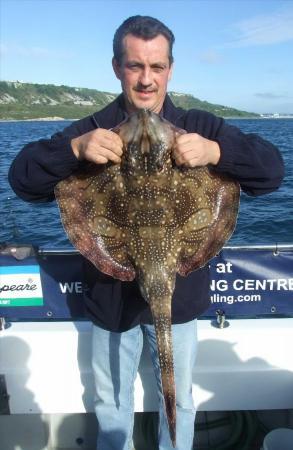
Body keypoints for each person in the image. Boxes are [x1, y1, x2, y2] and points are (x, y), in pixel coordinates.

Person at [8, 15, 284, 450]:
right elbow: (23, 181)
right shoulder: (91, 128)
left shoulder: (201, 124)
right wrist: (73, 150)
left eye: (156, 67)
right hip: (112, 304)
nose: (146, 79)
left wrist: (217, 151)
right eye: (135, 66)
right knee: (112, 402)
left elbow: (271, 172)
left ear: (170, 69)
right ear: (117, 67)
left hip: (181, 296)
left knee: (180, 398)